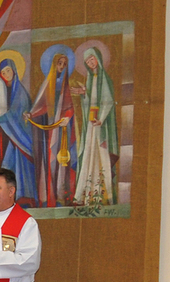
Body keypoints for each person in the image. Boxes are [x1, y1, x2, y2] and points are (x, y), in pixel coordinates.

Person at [29, 46, 77, 208]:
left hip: (64, 129)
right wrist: (31, 114)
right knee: (50, 160)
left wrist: (67, 117)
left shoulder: (67, 85)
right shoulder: (47, 84)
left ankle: (63, 195)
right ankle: (49, 196)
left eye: (64, 64)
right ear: (53, 64)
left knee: (63, 161)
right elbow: (41, 106)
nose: (61, 67)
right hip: (50, 129)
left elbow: (72, 107)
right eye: (59, 63)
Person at [72, 46, 118, 206]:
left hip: (100, 124)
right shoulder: (90, 79)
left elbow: (108, 101)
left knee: (101, 154)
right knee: (89, 154)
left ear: (98, 58)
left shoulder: (104, 79)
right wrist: (84, 94)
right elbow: (89, 102)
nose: (91, 63)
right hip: (92, 124)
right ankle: (86, 194)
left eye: (92, 59)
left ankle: (104, 195)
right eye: (87, 62)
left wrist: (102, 118)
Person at [0, 54, 38, 207]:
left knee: (15, 165)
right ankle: (9, 199)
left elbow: (12, 114)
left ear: (14, 70)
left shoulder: (20, 92)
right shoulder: (5, 90)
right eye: (3, 73)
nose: (6, 75)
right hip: (12, 135)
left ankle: (24, 197)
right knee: (8, 165)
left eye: (8, 71)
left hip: (21, 136)